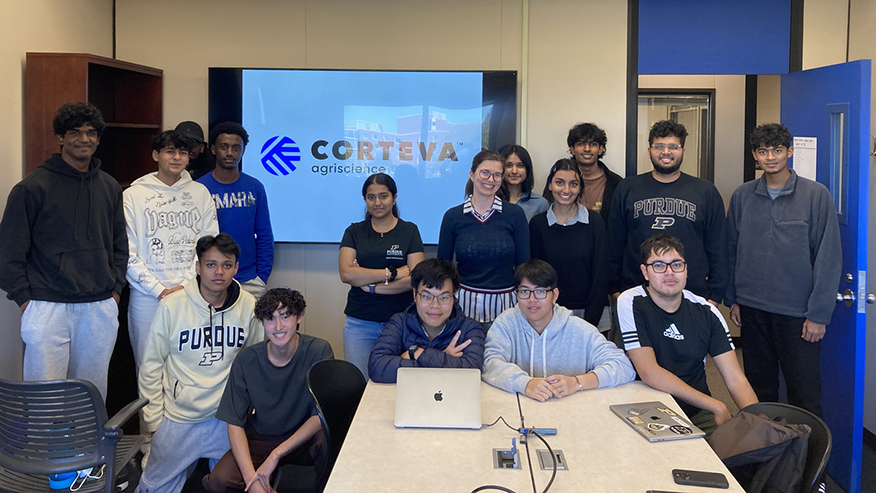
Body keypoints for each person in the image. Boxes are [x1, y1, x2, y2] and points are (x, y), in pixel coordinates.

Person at [0, 102, 126, 401]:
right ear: (60, 138)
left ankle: (86, 448)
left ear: (98, 138)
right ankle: (45, 449)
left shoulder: (109, 187)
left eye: (91, 133)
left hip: (99, 306)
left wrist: (115, 290)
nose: (84, 139)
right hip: (46, 306)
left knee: (91, 394)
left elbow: (120, 245)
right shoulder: (32, 188)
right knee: (46, 395)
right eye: (75, 132)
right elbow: (8, 252)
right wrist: (26, 300)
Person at [726, 123, 841, 417]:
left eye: (777, 150)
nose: (771, 157)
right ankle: (765, 459)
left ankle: (810, 462)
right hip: (752, 311)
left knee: (804, 395)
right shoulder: (742, 196)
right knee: (759, 392)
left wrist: (818, 315)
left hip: (798, 316)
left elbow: (828, 257)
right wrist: (734, 298)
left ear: (789, 152)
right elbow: (731, 249)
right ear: (755, 155)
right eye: (763, 151)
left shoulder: (816, 196)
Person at [137, 234, 262, 493]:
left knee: (235, 485)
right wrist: (154, 422)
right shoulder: (173, 306)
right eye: (211, 264)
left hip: (226, 419)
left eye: (227, 265)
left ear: (236, 268)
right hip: (179, 418)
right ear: (197, 267)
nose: (219, 272)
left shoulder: (248, 305)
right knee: (152, 488)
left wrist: (248, 410)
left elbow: (256, 361)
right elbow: (150, 366)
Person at [617, 234, 757, 436]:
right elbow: (649, 372)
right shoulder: (631, 301)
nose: (669, 272)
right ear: (644, 272)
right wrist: (716, 405)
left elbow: (735, 379)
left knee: (740, 455)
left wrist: (757, 425)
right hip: (645, 409)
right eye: (658, 265)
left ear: (686, 270)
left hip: (696, 411)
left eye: (676, 265)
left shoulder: (707, 312)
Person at [202, 288, 333, 493]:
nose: (278, 326)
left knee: (330, 442)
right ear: (262, 323)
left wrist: (276, 455)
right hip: (263, 436)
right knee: (220, 481)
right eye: (270, 318)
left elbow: (321, 415)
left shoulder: (318, 350)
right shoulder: (247, 359)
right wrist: (251, 481)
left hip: (304, 436)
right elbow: (234, 422)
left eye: (285, 316)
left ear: (299, 317)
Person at [124, 130, 219, 370]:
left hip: (191, 292)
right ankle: (149, 411)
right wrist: (159, 290)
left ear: (189, 158)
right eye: (170, 151)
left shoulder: (201, 193)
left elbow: (209, 245)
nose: (177, 157)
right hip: (147, 297)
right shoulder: (133, 195)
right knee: (148, 367)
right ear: (156, 155)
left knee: (189, 365)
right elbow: (125, 252)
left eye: (183, 153)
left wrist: (186, 285)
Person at [607, 120, 727, 305]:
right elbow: (614, 243)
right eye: (659, 146)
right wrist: (614, 289)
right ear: (649, 151)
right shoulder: (627, 189)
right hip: (637, 293)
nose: (665, 152)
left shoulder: (706, 192)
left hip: (692, 295)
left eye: (673, 146)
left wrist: (715, 295)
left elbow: (718, 246)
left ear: (683, 151)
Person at [482, 259, 635, 401]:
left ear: (554, 295)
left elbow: (623, 366)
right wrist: (525, 383)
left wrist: (577, 383)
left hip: (573, 412)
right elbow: (489, 362)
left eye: (540, 291)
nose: (532, 299)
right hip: (519, 410)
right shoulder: (506, 323)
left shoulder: (578, 329)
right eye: (524, 291)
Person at [338, 173, 425, 378]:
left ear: (394, 198)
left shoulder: (409, 231)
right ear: (365, 200)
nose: (377, 202)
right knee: (359, 382)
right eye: (371, 197)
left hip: (402, 321)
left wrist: (371, 286)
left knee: (400, 381)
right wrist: (392, 273)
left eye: (383, 196)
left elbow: (416, 278)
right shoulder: (354, 231)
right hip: (360, 322)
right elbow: (346, 273)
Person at [438, 150, 530, 331]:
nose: (490, 179)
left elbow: (524, 266)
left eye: (497, 175)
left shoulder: (515, 214)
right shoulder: (453, 216)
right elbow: (443, 267)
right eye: (485, 172)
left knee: (501, 360)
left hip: (505, 310)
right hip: (463, 310)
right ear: (472, 174)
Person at [368, 258, 485, 383]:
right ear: (415, 294)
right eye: (426, 296)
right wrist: (443, 359)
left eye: (444, 297)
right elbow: (377, 367)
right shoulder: (400, 323)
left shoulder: (470, 328)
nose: (435, 305)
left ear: (453, 297)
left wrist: (416, 353)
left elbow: (473, 374)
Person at [530, 159, 609, 331]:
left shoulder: (595, 222)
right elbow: (536, 277)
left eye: (573, 184)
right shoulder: (538, 225)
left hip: (592, 314)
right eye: (559, 183)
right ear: (550, 185)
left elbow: (601, 273)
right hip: (549, 314)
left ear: (580, 187)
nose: (566, 190)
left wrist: (590, 320)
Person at [199, 122, 274, 299]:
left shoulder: (255, 187)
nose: (230, 153)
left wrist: (261, 276)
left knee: (249, 327)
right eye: (224, 147)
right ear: (213, 149)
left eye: (236, 148)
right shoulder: (199, 188)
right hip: (210, 278)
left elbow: (264, 234)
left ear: (243, 151)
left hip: (250, 280)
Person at [566, 122, 622, 223]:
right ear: (572, 149)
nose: (587, 149)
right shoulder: (560, 181)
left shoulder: (617, 184)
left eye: (592, 144)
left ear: (600, 149)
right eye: (581, 144)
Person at [500, 145, 548, 221]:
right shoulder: (491, 200)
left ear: (527, 169)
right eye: (509, 165)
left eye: (520, 165)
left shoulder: (540, 203)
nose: (514, 171)